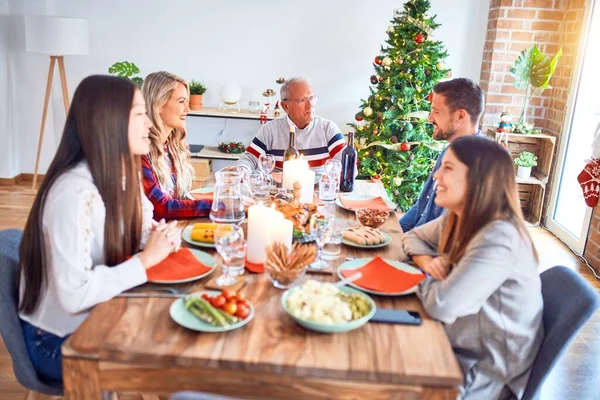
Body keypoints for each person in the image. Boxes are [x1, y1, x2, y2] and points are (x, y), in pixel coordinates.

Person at [18, 75, 181, 383]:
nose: (150, 123)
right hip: (58, 341)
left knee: (180, 329)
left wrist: (158, 237)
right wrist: (146, 260)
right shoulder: (73, 193)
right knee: (178, 352)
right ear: (110, 121)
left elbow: (142, 229)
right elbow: (74, 296)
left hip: (99, 312)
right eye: (139, 114)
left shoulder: (122, 173)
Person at [401, 136, 543, 400]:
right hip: (454, 340)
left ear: (479, 179)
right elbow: (413, 237)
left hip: (481, 374)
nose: (436, 176)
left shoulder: (499, 238)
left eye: (449, 168)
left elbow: (440, 305)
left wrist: (418, 275)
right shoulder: (459, 216)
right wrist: (428, 263)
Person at [399, 78, 485, 233]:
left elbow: (447, 232)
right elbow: (422, 207)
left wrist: (405, 244)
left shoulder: (477, 164)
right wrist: (393, 233)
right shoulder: (450, 150)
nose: (430, 118)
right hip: (417, 242)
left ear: (460, 116)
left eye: (437, 112)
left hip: (430, 252)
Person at [236, 77, 347, 172]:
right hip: (280, 194)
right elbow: (250, 158)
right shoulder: (270, 130)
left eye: (312, 98)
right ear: (285, 106)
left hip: (318, 193)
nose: (310, 105)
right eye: (302, 100)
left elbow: (347, 164)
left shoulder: (328, 129)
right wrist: (242, 170)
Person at [141, 71, 212, 220]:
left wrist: (220, 196)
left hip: (171, 230)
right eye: (181, 102)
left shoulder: (172, 146)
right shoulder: (141, 150)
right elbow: (161, 207)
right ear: (158, 104)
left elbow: (179, 198)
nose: (188, 109)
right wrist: (220, 206)